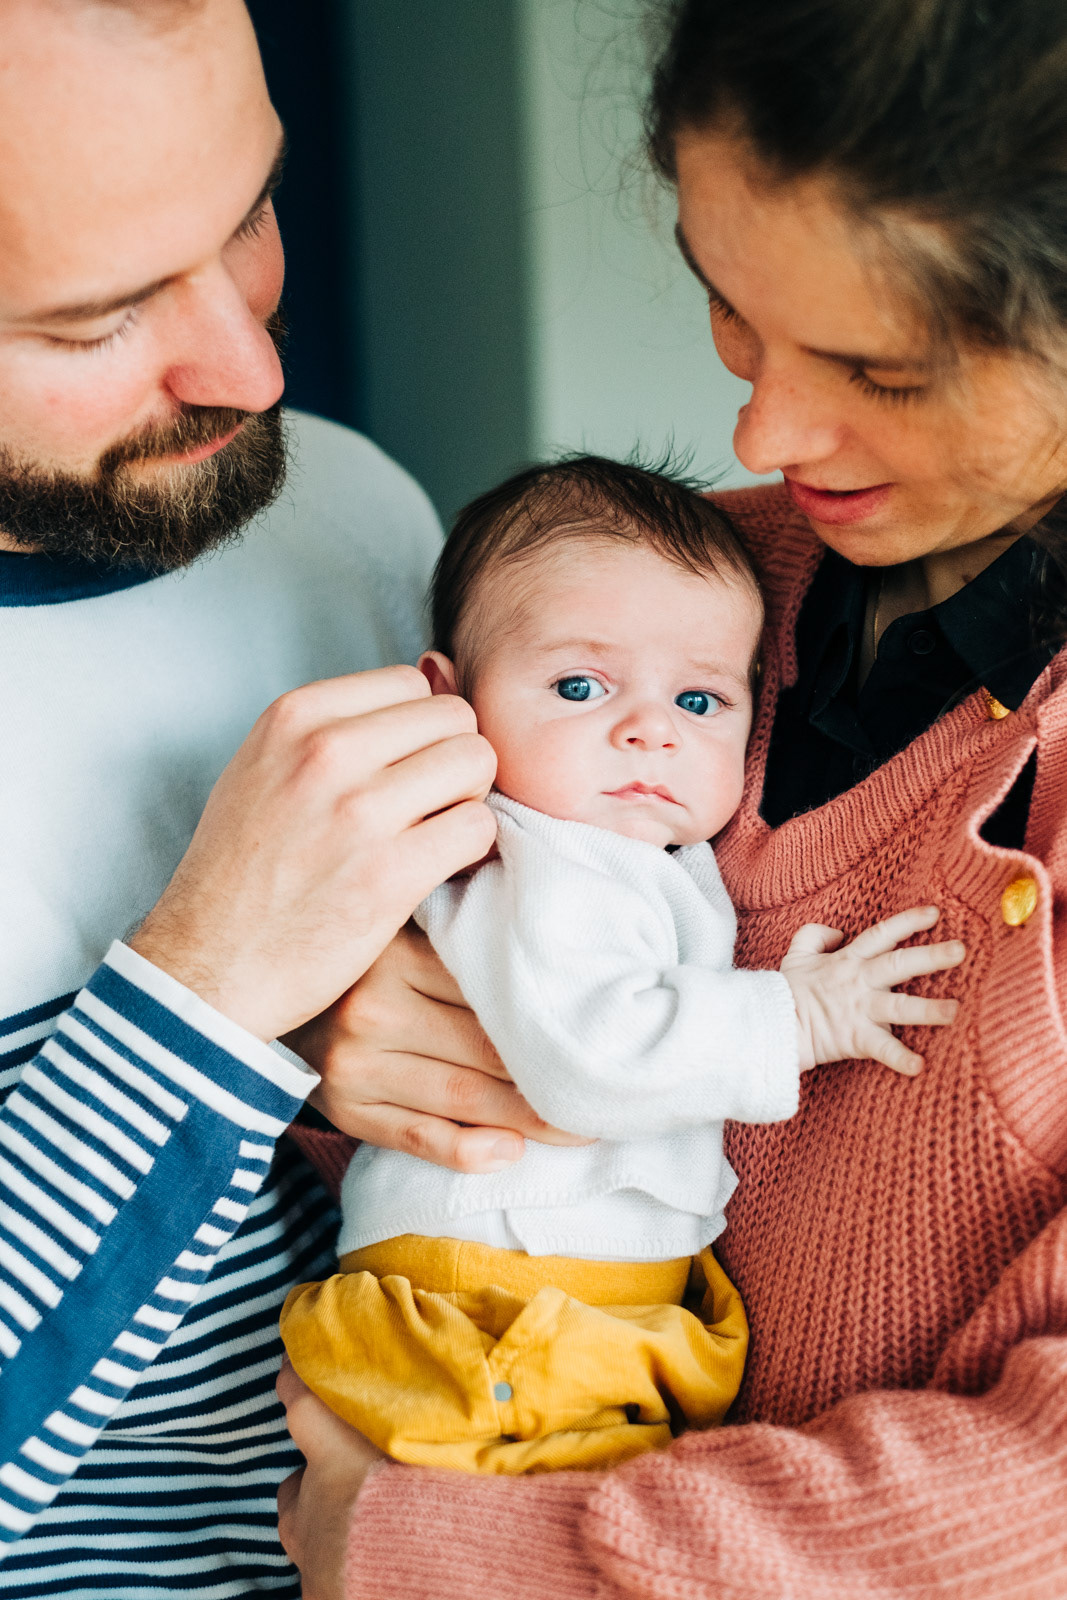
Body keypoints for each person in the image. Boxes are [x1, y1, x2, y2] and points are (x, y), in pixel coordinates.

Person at [274, 0, 1067, 1595]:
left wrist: (450, 1551)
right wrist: (329, 1038)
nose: (761, 434)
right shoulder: (664, 592)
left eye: (878, 370)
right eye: (728, 306)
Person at [0, 1, 548, 1596]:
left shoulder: (351, 505)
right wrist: (210, 992)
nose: (251, 370)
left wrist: (326, 1057)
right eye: (96, 321)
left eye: (250, 214)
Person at [280, 453, 964, 1475]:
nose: (649, 730)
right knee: (513, 1539)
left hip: (551, 1291)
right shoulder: (545, 860)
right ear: (449, 698)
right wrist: (799, 1017)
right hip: (501, 1301)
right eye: (578, 686)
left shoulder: (621, 855)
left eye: (699, 700)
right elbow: (589, 1065)